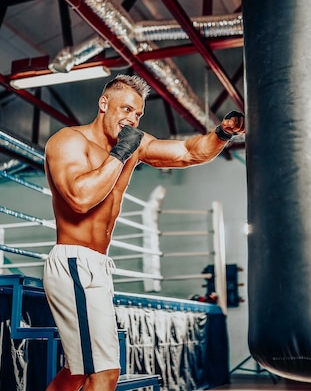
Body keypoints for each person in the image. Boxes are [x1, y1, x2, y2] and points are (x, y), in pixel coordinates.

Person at [42, 74, 245, 391]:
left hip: (96, 265)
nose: (131, 119)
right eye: (125, 109)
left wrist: (222, 134)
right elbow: (80, 199)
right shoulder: (68, 141)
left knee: (78, 371)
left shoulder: (132, 146)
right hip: (74, 262)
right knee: (106, 373)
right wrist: (120, 154)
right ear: (103, 104)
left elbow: (188, 152)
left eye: (137, 114)